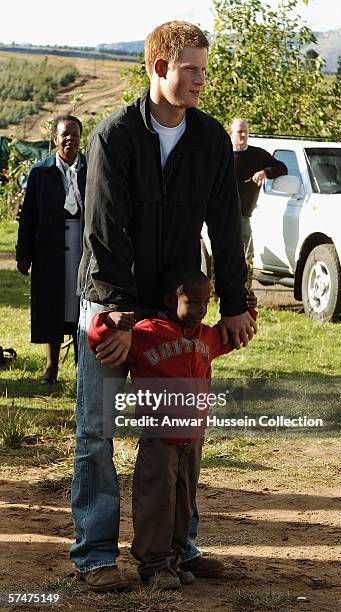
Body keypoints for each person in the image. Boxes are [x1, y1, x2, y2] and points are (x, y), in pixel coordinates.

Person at [72, 21, 257, 592]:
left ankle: (180, 547)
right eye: (190, 70)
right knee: (98, 429)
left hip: (174, 310)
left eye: (204, 69)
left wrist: (232, 303)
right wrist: (120, 316)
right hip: (112, 303)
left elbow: (227, 229)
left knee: (176, 435)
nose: (201, 81)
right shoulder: (113, 137)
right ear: (158, 68)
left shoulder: (207, 142)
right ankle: (97, 554)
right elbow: (103, 232)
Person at [87, 269, 257, 589]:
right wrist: (109, 321)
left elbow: (230, 334)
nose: (200, 310)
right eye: (192, 302)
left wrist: (247, 309)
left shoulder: (206, 337)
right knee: (157, 502)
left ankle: (176, 559)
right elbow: (97, 337)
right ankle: (153, 565)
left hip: (193, 440)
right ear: (170, 300)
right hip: (159, 439)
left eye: (206, 302)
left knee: (184, 501)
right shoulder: (147, 332)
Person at [16, 115, 86, 383]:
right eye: (64, 134)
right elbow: (29, 216)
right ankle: (51, 366)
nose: (70, 139)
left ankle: (83, 367)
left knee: (81, 307)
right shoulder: (40, 173)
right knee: (53, 305)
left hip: (82, 247)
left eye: (75, 134)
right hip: (50, 247)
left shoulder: (91, 170)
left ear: (81, 138)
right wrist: (24, 254)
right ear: (55, 139)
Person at [230, 118, 287, 284]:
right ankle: (216, 293)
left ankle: (245, 291)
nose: (243, 135)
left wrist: (265, 172)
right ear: (230, 134)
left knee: (246, 255)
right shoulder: (221, 153)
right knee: (222, 254)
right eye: (240, 131)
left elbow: (282, 168)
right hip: (222, 216)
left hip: (243, 216)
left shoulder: (258, 155)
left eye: (246, 132)